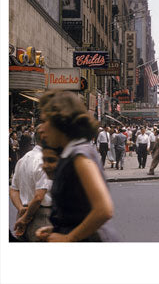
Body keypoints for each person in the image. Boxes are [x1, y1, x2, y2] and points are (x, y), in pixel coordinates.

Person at [35, 90, 117, 242]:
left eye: (45, 121)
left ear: (61, 120)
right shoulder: (71, 152)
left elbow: (104, 210)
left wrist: (68, 238)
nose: (41, 128)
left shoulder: (80, 156)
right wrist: (57, 229)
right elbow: (78, 211)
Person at [10, 124, 52, 242]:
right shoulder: (44, 160)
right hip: (41, 217)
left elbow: (13, 190)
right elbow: (39, 197)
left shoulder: (23, 159)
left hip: (23, 212)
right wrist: (25, 218)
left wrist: (20, 209)